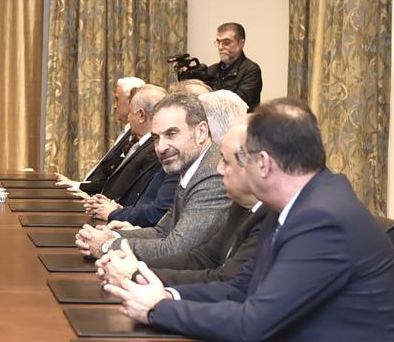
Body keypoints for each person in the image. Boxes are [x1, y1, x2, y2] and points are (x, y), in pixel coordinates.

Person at [103, 98, 394, 342]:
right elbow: (239, 288)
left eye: (229, 160)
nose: (220, 170)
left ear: (264, 164)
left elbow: (253, 322)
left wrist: (158, 309)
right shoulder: (292, 205)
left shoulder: (323, 219)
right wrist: (164, 294)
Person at [99, 116, 270, 287]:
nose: (219, 168)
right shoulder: (241, 206)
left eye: (225, 161)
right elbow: (205, 257)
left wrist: (134, 273)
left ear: (260, 165)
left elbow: (226, 281)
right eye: (156, 138)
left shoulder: (268, 217)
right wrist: (137, 267)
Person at [77, 92, 229, 261]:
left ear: (201, 132)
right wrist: (113, 235)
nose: (161, 147)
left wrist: (107, 246)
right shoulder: (191, 165)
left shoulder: (212, 174)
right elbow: (162, 231)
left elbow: (175, 249)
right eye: (156, 138)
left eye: (171, 134)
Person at [73, 84, 169, 218]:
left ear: (141, 115)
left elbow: (144, 203)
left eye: (131, 113)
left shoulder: (155, 150)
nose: (128, 118)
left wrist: (115, 211)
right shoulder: (142, 144)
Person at [57, 77, 144, 193]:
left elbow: (117, 182)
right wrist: (78, 184)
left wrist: (78, 186)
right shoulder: (127, 132)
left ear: (131, 101)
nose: (114, 106)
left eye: (117, 99)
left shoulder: (137, 137)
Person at [202, 22, 262, 107]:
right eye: (218, 42)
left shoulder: (251, 70)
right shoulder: (212, 70)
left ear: (241, 43)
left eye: (226, 43)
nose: (220, 47)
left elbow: (241, 103)